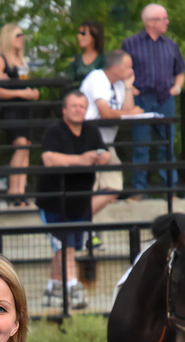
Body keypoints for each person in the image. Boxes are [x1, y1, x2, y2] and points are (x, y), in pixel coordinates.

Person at [37, 90, 110, 310]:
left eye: (82, 106)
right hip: (54, 201)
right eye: (74, 106)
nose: (78, 110)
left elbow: (104, 154)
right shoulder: (54, 131)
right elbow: (48, 158)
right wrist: (81, 160)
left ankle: (52, 289)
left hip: (80, 201)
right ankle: (73, 287)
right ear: (64, 109)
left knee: (66, 248)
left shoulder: (91, 131)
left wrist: (100, 157)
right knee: (64, 246)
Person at [121, 3, 185, 196]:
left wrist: (177, 87)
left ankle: (170, 190)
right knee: (140, 146)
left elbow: (180, 71)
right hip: (140, 98)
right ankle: (139, 191)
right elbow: (121, 69)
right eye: (163, 18)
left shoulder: (171, 45)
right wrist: (130, 88)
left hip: (165, 98)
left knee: (167, 146)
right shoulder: (130, 43)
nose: (167, 22)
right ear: (150, 22)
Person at [81, 50, 143, 216]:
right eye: (128, 66)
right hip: (87, 141)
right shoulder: (97, 77)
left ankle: (82, 219)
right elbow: (106, 112)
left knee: (114, 187)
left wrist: (129, 86)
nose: (131, 70)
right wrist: (132, 113)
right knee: (88, 189)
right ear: (115, 68)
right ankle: (79, 225)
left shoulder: (120, 84)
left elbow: (128, 112)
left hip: (107, 143)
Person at [0, 24, 39, 207]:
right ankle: (13, 191)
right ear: (9, 37)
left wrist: (31, 93)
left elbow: (23, 86)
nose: (21, 38)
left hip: (25, 108)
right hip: (10, 108)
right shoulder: (0, 59)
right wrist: (21, 94)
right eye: (18, 35)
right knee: (19, 145)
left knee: (26, 147)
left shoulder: (22, 60)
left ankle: (21, 191)